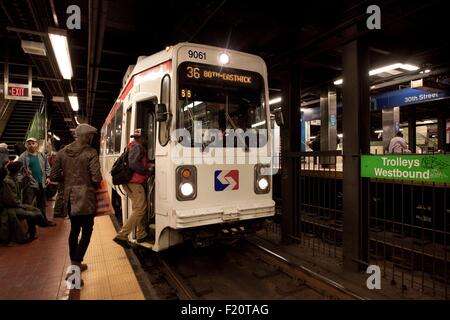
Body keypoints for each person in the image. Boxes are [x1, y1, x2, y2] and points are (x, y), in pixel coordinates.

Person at [50, 124, 102, 286]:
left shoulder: (62, 153)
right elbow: (96, 178)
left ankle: (76, 265)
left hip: (69, 198)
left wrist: (67, 182)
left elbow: (53, 175)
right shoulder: (90, 153)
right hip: (86, 198)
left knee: (74, 230)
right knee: (87, 231)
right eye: (90, 136)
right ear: (85, 136)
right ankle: (75, 268)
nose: (91, 139)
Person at [113, 128, 154, 248]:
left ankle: (141, 234)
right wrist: (146, 171)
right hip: (134, 183)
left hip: (130, 182)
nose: (146, 140)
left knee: (138, 208)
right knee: (141, 209)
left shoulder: (131, 145)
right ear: (143, 138)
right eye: (145, 138)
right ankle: (122, 236)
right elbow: (133, 164)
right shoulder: (138, 147)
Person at [3, 161, 46, 240]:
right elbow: (11, 199)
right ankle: (31, 234)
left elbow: (21, 187)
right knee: (32, 214)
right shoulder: (7, 181)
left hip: (17, 205)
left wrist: (27, 177)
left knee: (37, 211)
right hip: (12, 207)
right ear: (17, 170)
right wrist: (21, 205)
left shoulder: (14, 178)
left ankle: (39, 225)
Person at [18, 137, 56, 226]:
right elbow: (19, 172)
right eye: (29, 144)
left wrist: (48, 177)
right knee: (29, 205)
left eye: (33, 143)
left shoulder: (42, 155)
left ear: (37, 144)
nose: (31, 145)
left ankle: (43, 222)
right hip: (30, 185)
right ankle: (31, 226)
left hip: (41, 183)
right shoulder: (23, 157)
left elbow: (47, 167)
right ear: (26, 145)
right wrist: (25, 176)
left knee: (42, 204)